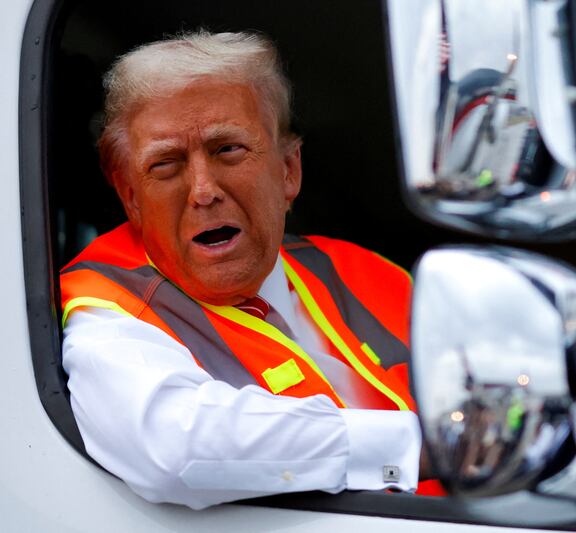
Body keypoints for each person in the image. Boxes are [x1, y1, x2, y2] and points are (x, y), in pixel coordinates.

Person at [60, 30, 435, 510]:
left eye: (228, 150)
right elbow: (179, 449)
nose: (202, 190)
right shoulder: (102, 306)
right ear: (130, 196)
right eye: (166, 164)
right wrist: (417, 447)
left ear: (288, 171)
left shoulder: (363, 270)